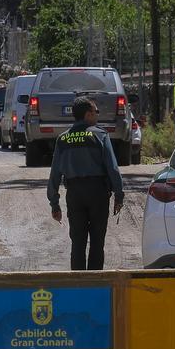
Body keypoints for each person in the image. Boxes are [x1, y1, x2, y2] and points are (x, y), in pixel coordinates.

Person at [47, 97, 124, 270]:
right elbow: (112, 168)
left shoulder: (63, 139)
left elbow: (55, 174)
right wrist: (119, 194)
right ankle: (95, 284)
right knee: (97, 242)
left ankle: (78, 285)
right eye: (96, 111)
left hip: (74, 194)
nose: (97, 115)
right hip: (98, 192)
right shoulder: (100, 135)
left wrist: (54, 203)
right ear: (88, 114)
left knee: (78, 243)